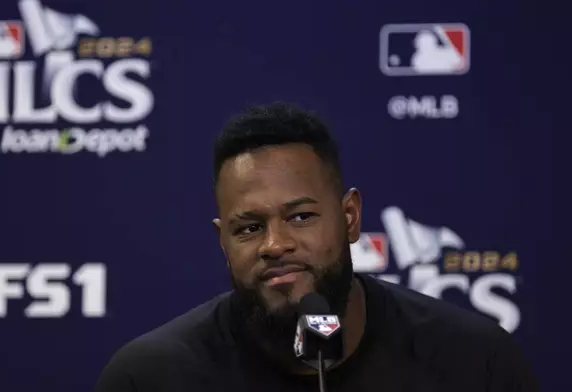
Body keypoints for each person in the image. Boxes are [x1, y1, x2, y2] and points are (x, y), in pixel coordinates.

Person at [93, 102, 539, 391]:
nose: (275, 244)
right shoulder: (148, 378)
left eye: (300, 217)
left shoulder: (475, 364)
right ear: (223, 242)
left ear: (350, 218)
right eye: (249, 228)